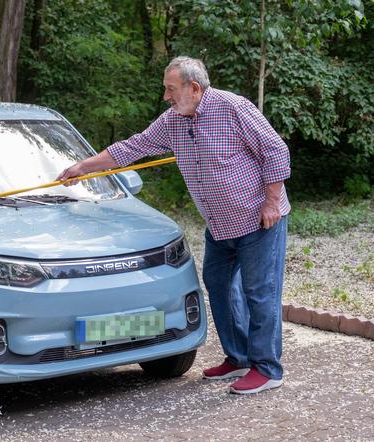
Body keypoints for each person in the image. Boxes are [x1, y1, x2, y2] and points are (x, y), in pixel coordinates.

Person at [57, 56, 291, 395]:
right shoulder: (172, 122)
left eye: (171, 89)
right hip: (221, 225)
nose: (166, 96)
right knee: (219, 286)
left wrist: (271, 202)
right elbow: (132, 147)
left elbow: (276, 151)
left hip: (258, 219)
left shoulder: (233, 107)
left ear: (194, 89)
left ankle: (268, 368)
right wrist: (84, 166)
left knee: (260, 292)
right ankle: (239, 357)